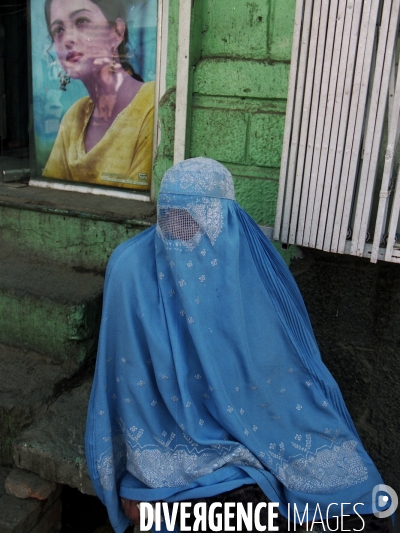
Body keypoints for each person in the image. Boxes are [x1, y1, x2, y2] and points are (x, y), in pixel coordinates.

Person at [85, 157, 393, 532]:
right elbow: (126, 378)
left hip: (254, 416)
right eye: (169, 219)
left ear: (222, 217)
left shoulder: (247, 266)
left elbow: (278, 368)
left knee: (336, 478)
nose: (178, 234)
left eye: (191, 221)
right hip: (161, 433)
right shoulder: (131, 268)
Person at [42, 0, 154, 191]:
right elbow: (51, 195)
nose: (68, 39)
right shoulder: (74, 118)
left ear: (117, 32)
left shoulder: (151, 107)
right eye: (58, 30)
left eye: (81, 21)